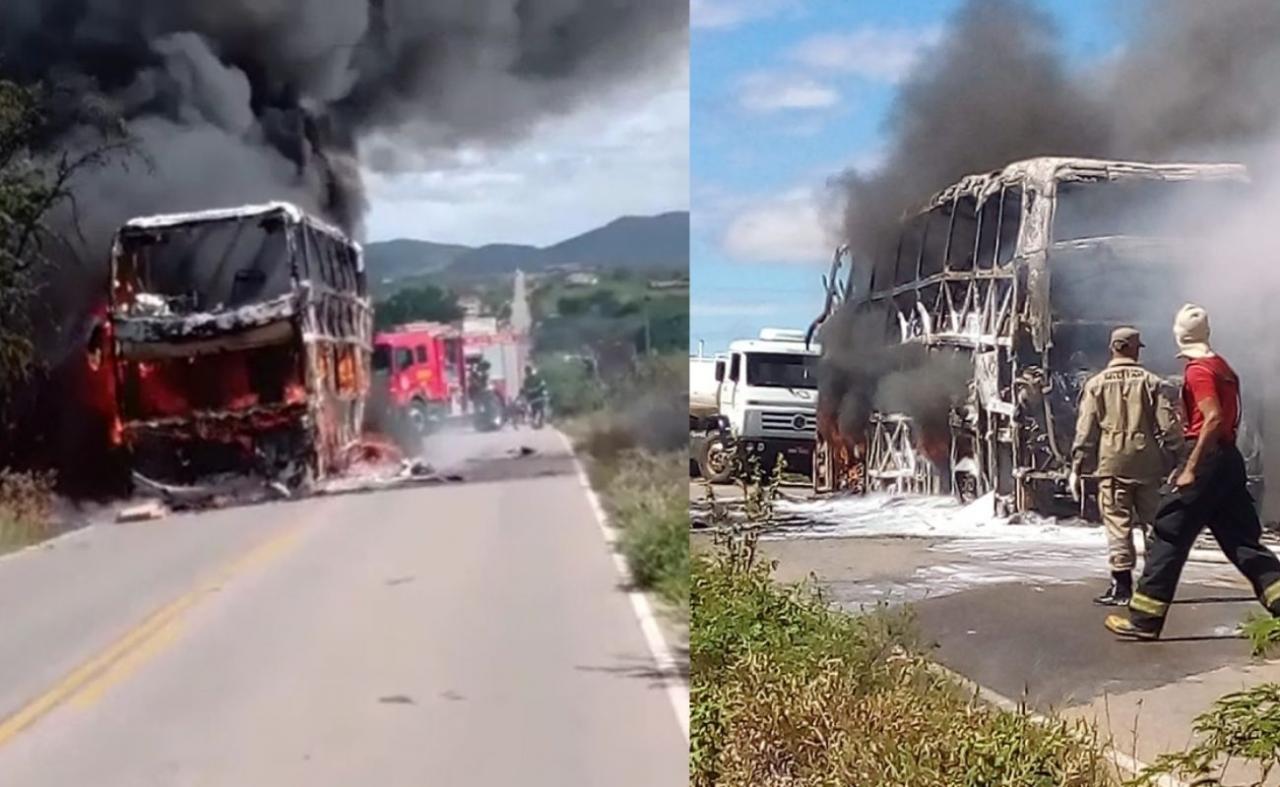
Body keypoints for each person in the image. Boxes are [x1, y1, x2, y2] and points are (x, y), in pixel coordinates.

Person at [1106, 304, 1280, 640]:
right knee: (1242, 541)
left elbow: (1212, 419)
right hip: (1228, 459)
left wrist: (1191, 468)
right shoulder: (1223, 367)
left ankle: (1144, 619)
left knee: (1169, 531)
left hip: (1206, 457)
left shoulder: (1198, 371)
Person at [1070, 326, 1177, 606]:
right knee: (1153, 523)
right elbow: (1168, 426)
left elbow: (1086, 429)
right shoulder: (1153, 382)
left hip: (1112, 463)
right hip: (1148, 463)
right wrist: (1181, 458)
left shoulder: (1096, 384)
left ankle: (1121, 587)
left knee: (1118, 523)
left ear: (1112, 348)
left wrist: (1077, 465)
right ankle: (1154, 587)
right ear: (1135, 350)